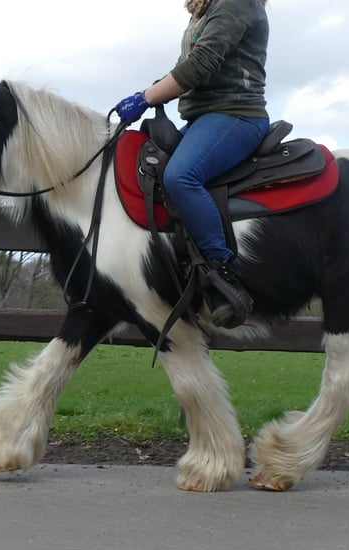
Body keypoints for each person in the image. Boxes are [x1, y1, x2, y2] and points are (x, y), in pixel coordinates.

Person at [115, 0, 270, 329]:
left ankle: (223, 272)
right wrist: (147, 92)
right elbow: (183, 66)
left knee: (181, 176)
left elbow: (199, 65)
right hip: (203, 119)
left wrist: (147, 98)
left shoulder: (237, 3)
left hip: (236, 115)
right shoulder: (206, 11)